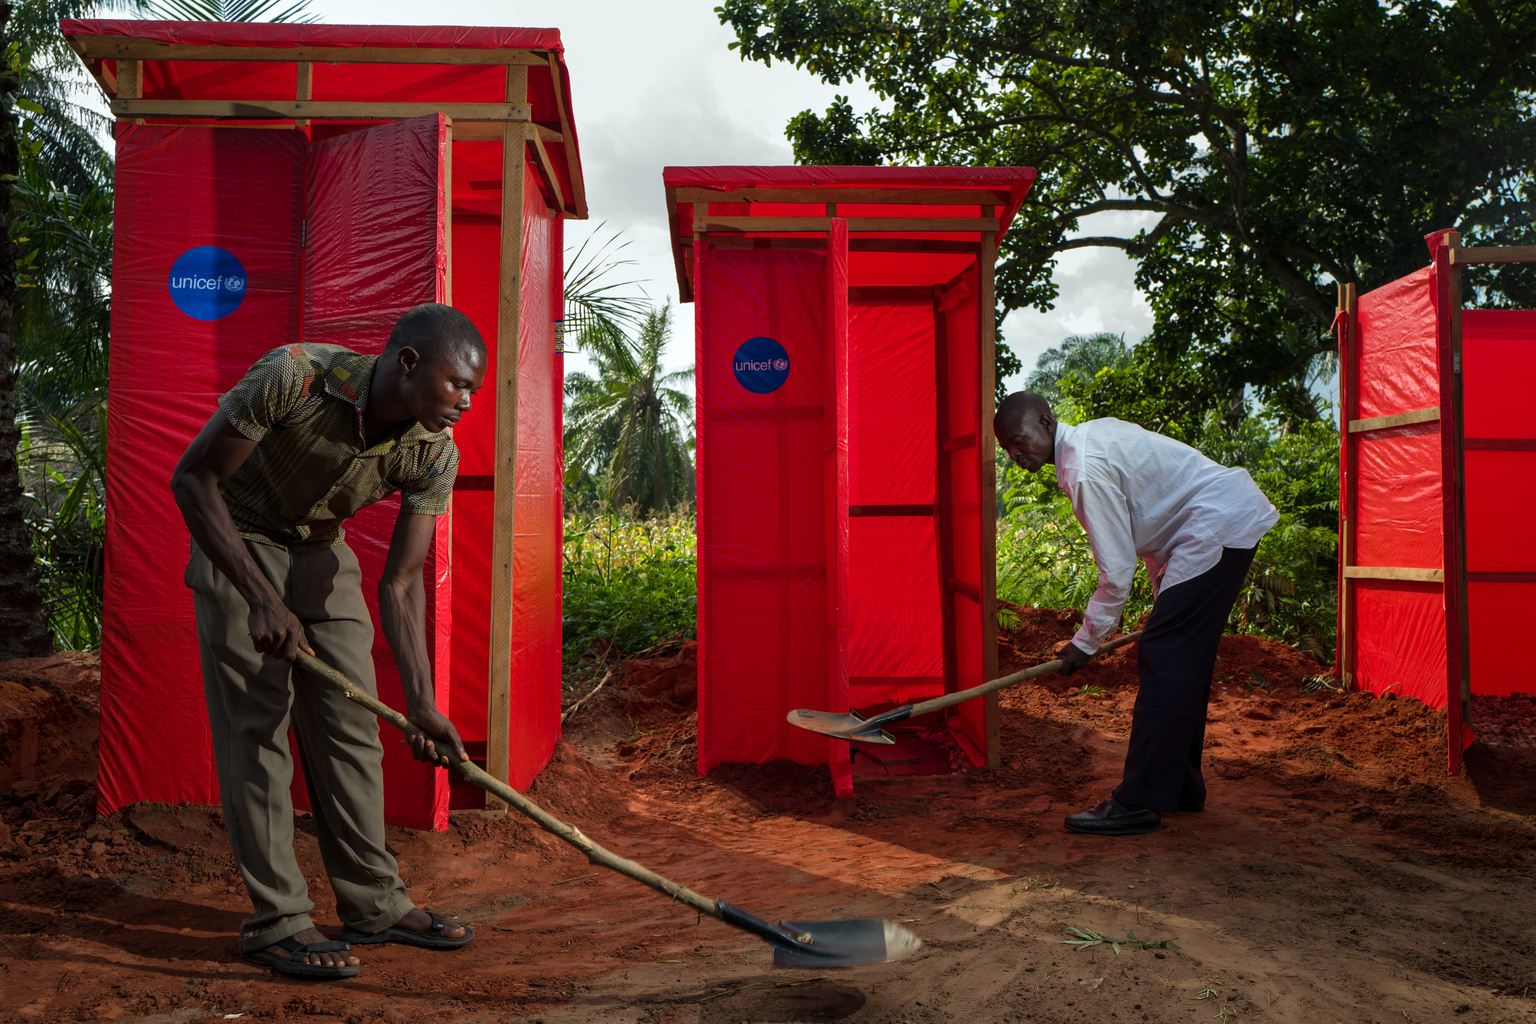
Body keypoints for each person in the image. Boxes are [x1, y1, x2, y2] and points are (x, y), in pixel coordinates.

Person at [170, 303, 487, 977]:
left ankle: (374, 903)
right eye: (456, 385)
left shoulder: (433, 450)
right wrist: (260, 597)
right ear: (407, 363)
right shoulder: (295, 377)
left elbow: (401, 584)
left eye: (473, 392)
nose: (464, 403)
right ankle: (277, 921)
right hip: (239, 541)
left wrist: (424, 703)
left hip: (319, 552)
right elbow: (194, 479)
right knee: (257, 726)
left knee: (352, 729)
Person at [993, 392, 1278, 836]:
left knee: (1165, 653)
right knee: (1181, 659)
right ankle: (1181, 786)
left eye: (1018, 440)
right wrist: (1165, 594)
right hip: (1210, 523)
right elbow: (1151, 527)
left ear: (1046, 423)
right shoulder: (1090, 439)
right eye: (1007, 450)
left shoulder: (1084, 468)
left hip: (1215, 523)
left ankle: (1141, 800)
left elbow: (1118, 568)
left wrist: (1085, 642)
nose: (1015, 455)